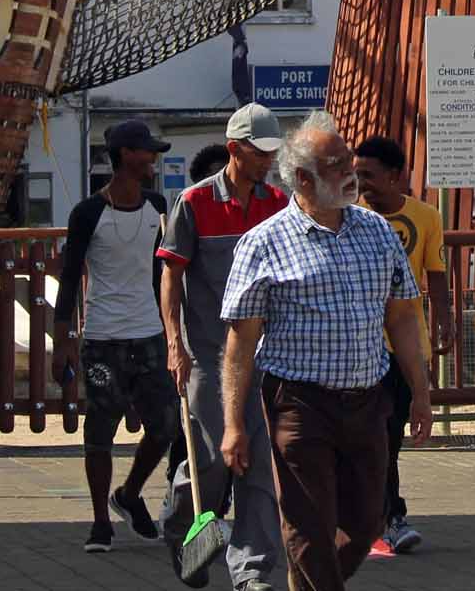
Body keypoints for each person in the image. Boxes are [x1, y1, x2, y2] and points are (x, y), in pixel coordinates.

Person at [220, 115, 431, 591]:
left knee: (365, 526)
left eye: (348, 160)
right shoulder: (263, 244)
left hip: (367, 400)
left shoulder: (377, 233)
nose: (349, 171)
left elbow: (401, 317)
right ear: (302, 177)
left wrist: (420, 392)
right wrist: (234, 424)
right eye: (335, 164)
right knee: (309, 528)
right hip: (298, 405)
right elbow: (240, 343)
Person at [160, 105, 289, 590]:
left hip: (267, 359)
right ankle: (182, 530)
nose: (269, 162)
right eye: (261, 153)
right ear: (235, 150)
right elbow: (171, 276)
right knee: (210, 462)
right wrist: (175, 345)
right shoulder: (193, 203)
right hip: (210, 361)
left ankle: (252, 573)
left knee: (261, 467)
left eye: (274, 152)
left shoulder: (280, 202)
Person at [54, 120, 179, 553]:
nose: (154, 160)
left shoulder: (158, 206)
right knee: (100, 432)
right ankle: (100, 522)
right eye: (148, 153)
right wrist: (63, 340)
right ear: (126, 155)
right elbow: (69, 278)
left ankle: (128, 494)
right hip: (102, 338)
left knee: (165, 425)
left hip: (148, 333)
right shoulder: (87, 213)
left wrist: (173, 328)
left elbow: (165, 273)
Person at [354, 135, 456, 557]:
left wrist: (446, 317)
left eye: (370, 176)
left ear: (395, 176)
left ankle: (384, 516)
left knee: (390, 436)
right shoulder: (349, 218)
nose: (362, 184)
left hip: (405, 344)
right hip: (359, 347)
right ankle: (388, 518)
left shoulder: (427, 217)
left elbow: (435, 272)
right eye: (356, 175)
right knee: (371, 436)